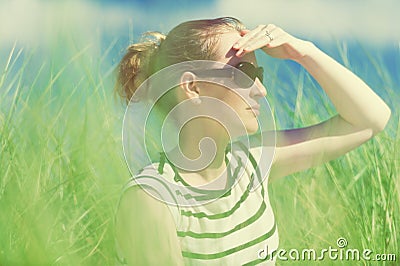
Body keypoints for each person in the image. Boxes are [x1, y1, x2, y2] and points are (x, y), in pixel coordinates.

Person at [113, 17, 391, 265]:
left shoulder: (251, 164)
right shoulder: (153, 197)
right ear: (193, 87)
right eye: (244, 73)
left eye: (259, 75)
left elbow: (370, 120)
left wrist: (303, 51)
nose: (261, 90)